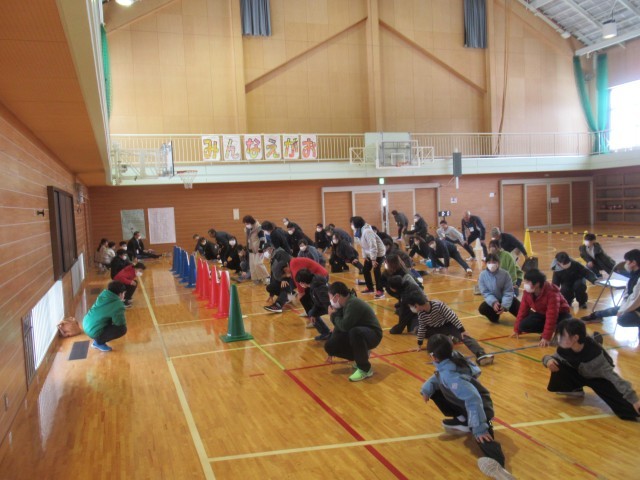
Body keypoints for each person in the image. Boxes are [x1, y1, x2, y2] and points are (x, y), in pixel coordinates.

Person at [420, 335, 514, 480]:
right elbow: (440, 375)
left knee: (482, 436)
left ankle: (500, 470)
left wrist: (479, 428)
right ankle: (464, 420)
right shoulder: (452, 358)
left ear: (433, 356)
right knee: (435, 391)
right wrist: (427, 388)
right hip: (466, 404)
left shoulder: (451, 377)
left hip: (480, 408)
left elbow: (474, 399)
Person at [543, 319, 640, 420]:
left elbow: (615, 378)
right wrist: (548, 360)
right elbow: (551, 357)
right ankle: (574, 389)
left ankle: (596, 342)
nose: (559, 338)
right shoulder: (564, 348)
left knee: (629, 411)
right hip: (579, 372)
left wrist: (633, 399)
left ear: (575, 338)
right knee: (555, 363)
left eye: (563, 336)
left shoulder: (596, 357)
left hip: (598, 377)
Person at [407, 293, 494, 365]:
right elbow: (422, 327)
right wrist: (419, 345)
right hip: (434, 329)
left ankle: (481, 354)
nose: (412, 308)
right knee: (418, 330)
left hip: (448, 325)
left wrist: (462, 330)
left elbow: (453, 317)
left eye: (412, 306)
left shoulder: (438, 305)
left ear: (416, 305)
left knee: (464, 336)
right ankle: (449, 338)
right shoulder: (421, 314)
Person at [324, 282, 383, 382]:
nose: (330, 300)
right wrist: (331, 347)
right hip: (360, 332)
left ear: (337, 296)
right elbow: (339, 327)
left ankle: (365, 369)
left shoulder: (353, 303)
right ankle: (361, 355)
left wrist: (333, 315)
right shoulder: (343, 305)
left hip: (373, 334)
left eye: (330, 297)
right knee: (330, 346)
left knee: (355, 332)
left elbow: (344, 326)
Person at [581, 249, 640, 330]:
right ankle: (595, 315)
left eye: (627, 261)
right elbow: (628, 294)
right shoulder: (634, 274)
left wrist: (622, 310)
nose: (625, 264)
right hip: (635, 305)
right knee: (617, 309)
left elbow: (635, 300)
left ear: (633, 263)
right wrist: (623, 308)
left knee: (623, 318)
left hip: (637, 306)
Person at [513, 269, 572, 347]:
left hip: (560, 314)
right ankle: (552, 329)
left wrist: (546, 337)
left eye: (527, 282)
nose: (525, 284)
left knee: (567, 324)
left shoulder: (552, 293)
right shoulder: (527, 292)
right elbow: (522, 311)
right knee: (523, 325)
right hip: (542, 313)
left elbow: (552, 315)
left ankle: (556, 329)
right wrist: (516, 330)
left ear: (537, 284)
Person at [83, 282, 129, 352]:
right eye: (124, 293)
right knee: (122, 329)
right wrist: (120, 304)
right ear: (120, 294)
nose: (124, 295)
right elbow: (120, 323)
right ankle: (98, 342)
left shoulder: (103, 295)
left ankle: (100, 338)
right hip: (93, 330)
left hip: (86, 324)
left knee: (109, 319)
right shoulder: (118, 305)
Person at [478, 254, 520, 324]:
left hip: (509, 300)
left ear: (498, 263)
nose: (491, 264)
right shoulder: (482, 275)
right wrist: (493, 302)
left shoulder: (505, 274)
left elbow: (508, 291)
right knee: (482, 308)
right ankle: (495, 316)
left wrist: (505, 305)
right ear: (486, 263)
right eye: (489, 262)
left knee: (524, 315)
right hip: (494, 301)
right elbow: (485, 292)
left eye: (494, 262)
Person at [351, 216, 386, 298]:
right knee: (365, 270)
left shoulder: (367, 231)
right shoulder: (359, 231)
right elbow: (363, 246)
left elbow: (373, 246)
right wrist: (364, 256)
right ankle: (370, 288)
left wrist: (373, 260)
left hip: (378, 253)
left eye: (352, 223)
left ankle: (380, 291)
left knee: (376, 270)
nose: (351, 225)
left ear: (356, 224)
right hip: (370, 253)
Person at [295, 269, 332, 340]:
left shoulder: (319, 288)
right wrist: (313, 314)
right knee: (311, 313)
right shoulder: (314, 284)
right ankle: (326, 333)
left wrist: (336, 326)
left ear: (302, 283)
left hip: (333, 307)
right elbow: (317, 302)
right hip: (325, 304)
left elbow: (329, 306)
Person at [243, 215, 269, 284]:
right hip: (251, 249)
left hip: (259, 249)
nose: (246, 225)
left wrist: (261, 249)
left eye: (247, 223)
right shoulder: (248, 229)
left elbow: (262, 239)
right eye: (245, 223)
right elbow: (248, 239)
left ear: (251, 222)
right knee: (253, 266)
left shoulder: (259, 228)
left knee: (258, 264)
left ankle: (267, 277)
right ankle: (257, 278)